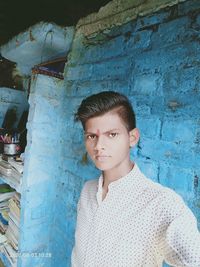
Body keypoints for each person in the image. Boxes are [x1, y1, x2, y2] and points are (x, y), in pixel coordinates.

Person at [71, 91, 200, 267]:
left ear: (132, 138)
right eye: (92, 136)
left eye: (112, 134)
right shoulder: (87, 190)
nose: (99, 146)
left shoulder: (161, 204)